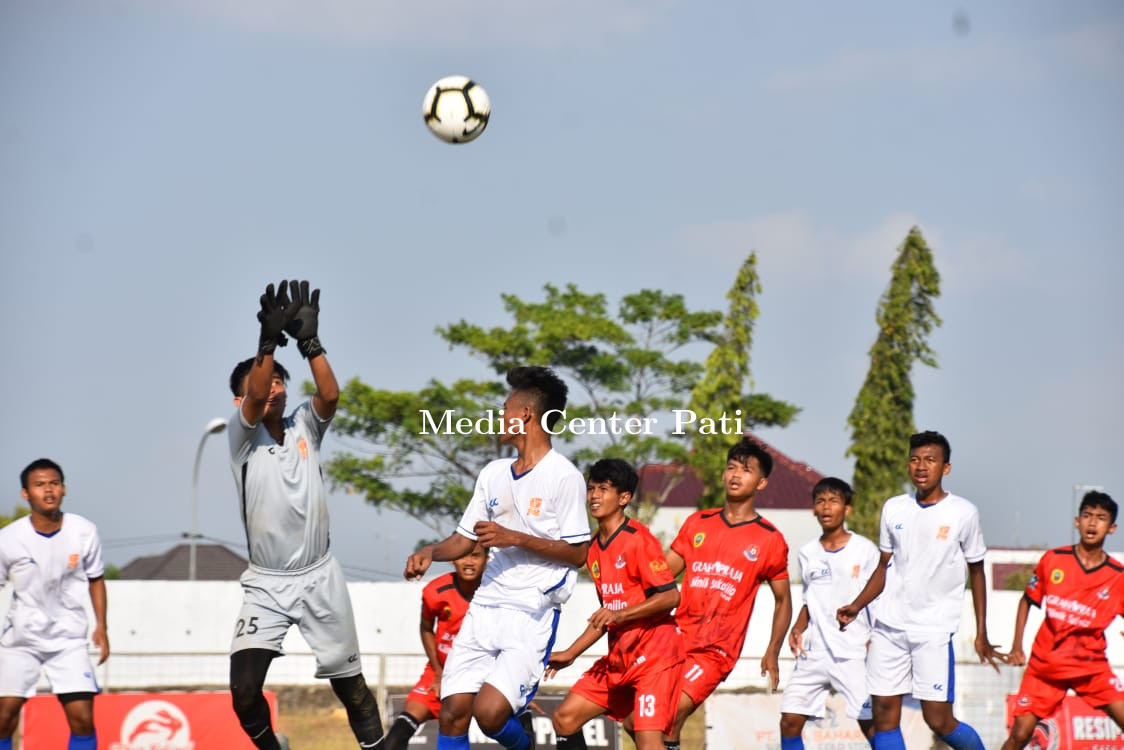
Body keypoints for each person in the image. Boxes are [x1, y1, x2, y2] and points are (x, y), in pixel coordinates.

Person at [227, 280, 382, 750]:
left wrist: (310, 344)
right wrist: (267, 343)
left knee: (352, 690)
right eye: (265, 381)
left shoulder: (304, 425)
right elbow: (255, 396)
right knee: (244, 692)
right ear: (239, 402)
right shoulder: (241, 436)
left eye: (280, 380)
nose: (273, 387)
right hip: (267, 584)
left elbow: (330, 395)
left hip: (320, 577)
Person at [404, 366, 591, 750]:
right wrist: (430, 552)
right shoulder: (493, 473)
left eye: (505, 408)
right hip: (486, 604)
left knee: (490, 716)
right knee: (453, 710)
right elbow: (463, 538)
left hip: (531, 611)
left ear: (525, 414)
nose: (500, 417)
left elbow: (579, 553)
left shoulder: (563, 476)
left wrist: (514, 537)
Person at [837, 430, 1004, 750]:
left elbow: (977, 572)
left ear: (946, 468)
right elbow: (884, 567)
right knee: (884, 716)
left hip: (933, 630)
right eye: (915, 460)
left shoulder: (963, 513)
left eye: (930, 460)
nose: (921, 466)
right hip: (889, 626)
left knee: (938, 719)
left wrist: (981, 631)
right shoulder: (894, 509)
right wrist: (857, 605)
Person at [658, 437, 793, 750]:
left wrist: (773, 649)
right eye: (731, 467)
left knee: (668, 711)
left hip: (715, 650)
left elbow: (783, 600)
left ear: (761, 483)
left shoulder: (770, 539)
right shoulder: (697, 523)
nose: (735, 474)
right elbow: (663, 575)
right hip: (675, 639)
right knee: (651, 725)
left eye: (745, 470)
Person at [546, 458, 682, 750]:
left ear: (623, 498)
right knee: (564, 719)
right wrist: (570, 652)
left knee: (648, 742)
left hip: (655, 658)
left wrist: (621, 614)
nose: (594, 496)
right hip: (621, 658)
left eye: (604, 489)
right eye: (591, 488)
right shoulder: (593, 548)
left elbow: (670, 596)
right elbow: (606, 615)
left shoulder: (638, 540)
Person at [0, 458, 109, 750]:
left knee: (82, 718)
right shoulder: (8, 539)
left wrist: (102, 628)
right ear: (26, 493)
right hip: (21, 639)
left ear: (64, 489)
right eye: (39, 485)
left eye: (54, 483)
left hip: (68, 639)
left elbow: (96, 579)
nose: (48, 490)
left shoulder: (84, 531)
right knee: (4, 716)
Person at [1001, 490, 1124, 750]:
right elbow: (1027, 601)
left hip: (1091, 668)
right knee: (1020, 734)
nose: (1092, 523)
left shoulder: (1117, 576)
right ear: (1077, 522)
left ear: (1111, 528)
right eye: (1087, 516)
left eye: (1100, 518)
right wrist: (1016, 646)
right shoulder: (1054, 560)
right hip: (1046, 667)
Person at [779, 477, 877, 749]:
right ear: (813, 509)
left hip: (853, 652)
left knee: (870, 724)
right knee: (789, 721)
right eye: (820, 501)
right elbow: (810, 602)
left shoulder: (865, 550)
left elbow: (879, 597)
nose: (826, 507)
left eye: (833, 501)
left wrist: (875, 639)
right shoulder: (807, 552)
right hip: (814, 652)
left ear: (847, 509)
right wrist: (797, 628)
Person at [380, 543, 487, 750]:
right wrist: (438, 673)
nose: (469, 562)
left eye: (475, 556)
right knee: (398, 734)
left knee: (516, 724)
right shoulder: (435, 591)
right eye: (463, 556)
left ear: (487, 559)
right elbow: (426, 628)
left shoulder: (497, 590)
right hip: (440, 671)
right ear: (452, 559)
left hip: (484, 674)